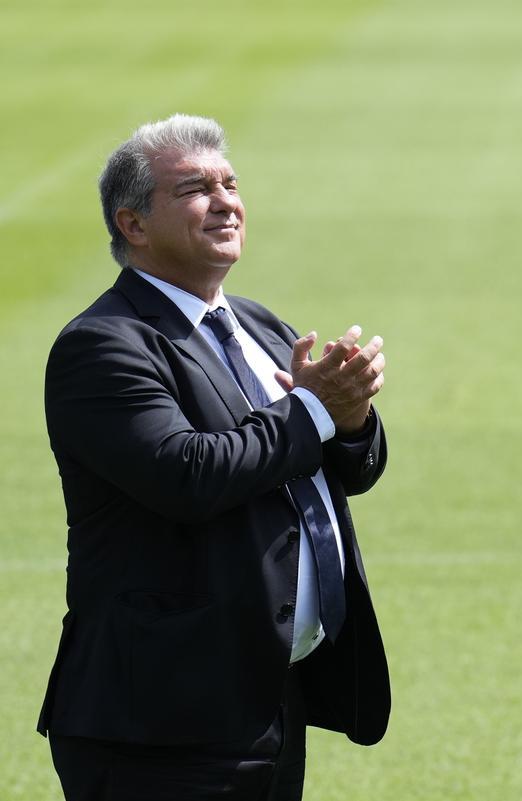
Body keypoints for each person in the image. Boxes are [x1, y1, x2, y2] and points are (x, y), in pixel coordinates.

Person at [38, 114, 391, 801]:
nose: (227, 200)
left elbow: (344, 466)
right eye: (196, 188)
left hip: (264, 698)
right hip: (159, 720)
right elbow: (187, 474)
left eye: (231, 182)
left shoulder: (257, 323)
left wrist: (351, 419)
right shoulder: (104, 345)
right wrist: (313, 410)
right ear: (133, 225)